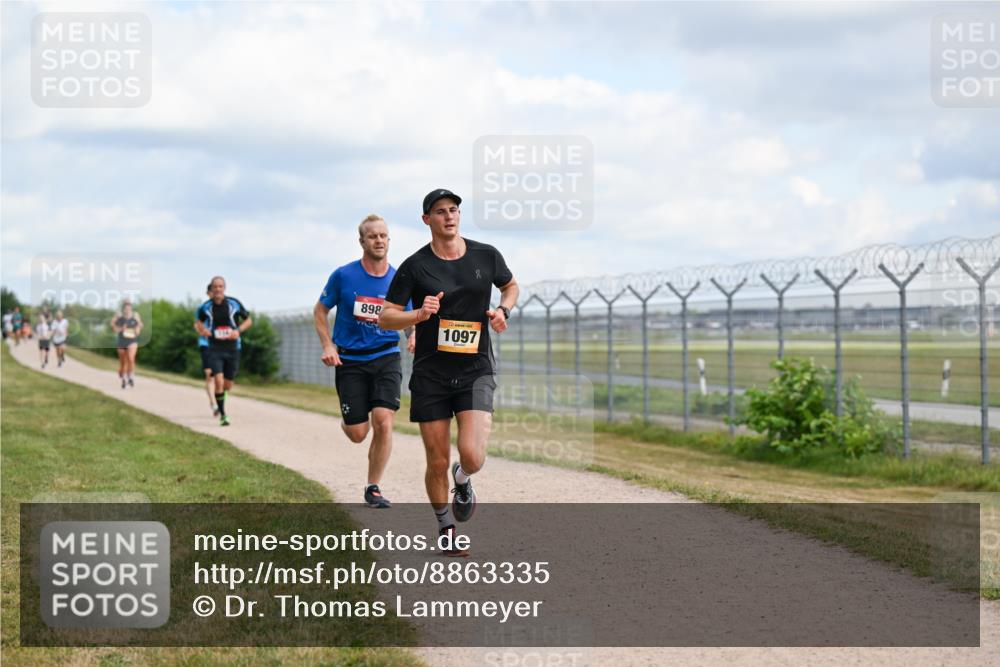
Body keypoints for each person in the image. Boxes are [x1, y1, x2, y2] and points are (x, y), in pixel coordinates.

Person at [379, 189, 518, 556]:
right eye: (440, 212)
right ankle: (446, 527)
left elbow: (510, 285)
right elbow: (386, 316)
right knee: (436, 459)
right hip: (431, 375)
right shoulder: (415, 266)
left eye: (454, 210)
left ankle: (464, 478)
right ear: (427, 219)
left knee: (472, 454)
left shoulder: (486, 255)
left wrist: (503, 310)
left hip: (475, 370)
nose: (449, 216)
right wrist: (418, 315)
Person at [314, 214, 415, 509]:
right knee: (359, 433)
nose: (379, 240)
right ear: (362, 241)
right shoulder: (343, 276)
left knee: (383, 421)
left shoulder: (399, 279)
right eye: (373, 236)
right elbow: (320, 312)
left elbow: (407, 316)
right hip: (350, 361)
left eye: (384, 236)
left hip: (386, 356)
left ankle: (373, 487)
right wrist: (328, 344)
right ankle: (348, 419)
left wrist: (412, 334)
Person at [194, 276, 252, 426]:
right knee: (217, 380)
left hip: (233, 349)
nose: (218, 289)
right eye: (215, 287)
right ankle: (223, 415)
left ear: (224, 288)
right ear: (211, 290)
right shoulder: (205, 307)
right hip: (215, 349)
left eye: (221, 286)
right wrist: (203, 331)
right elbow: (197, 322)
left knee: (228, 385)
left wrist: (238, 331)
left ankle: (220, 397)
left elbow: (249, 320)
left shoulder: (234, 303)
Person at [196, 283, 219, 416]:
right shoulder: (202, 308)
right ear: (208, 293)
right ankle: (213, 404)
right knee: (209, 375)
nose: (214, 293)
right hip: (206, 344)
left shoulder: (223, 307)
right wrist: (203, 331)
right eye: (212, 291)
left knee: (220, 378)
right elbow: (196, 324)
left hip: (220, 345)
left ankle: (219, 402)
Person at [111, 300, 143, 388]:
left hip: (132, 341)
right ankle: (123, 377)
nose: (127, 309)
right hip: (122, 342)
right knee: (123, 363)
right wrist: (121, 328)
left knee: (131, 358)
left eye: (129, 307)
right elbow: (114, 329)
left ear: (131, 308)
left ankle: (130, 376)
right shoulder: (120, 318)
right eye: (126, 307)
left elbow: (139, 328)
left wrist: (138, 325)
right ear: (123, 308)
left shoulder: (135, 317)